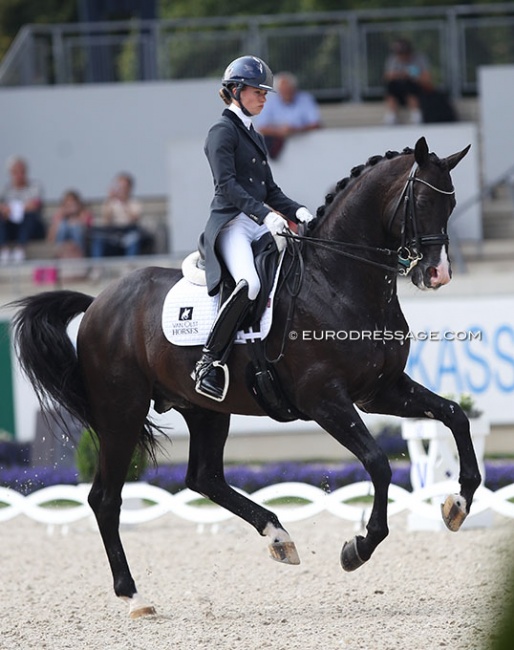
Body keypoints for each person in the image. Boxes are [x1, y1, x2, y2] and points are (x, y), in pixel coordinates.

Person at [192, 55, 315, 402]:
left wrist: (301, 212)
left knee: (295, 268)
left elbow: (270, 190)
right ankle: (209, 361)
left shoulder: (254, 135)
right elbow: (227, 186)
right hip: (232, 223)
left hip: (258, 220)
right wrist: (265, 215)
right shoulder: (221, 132)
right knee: (251, 284)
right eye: (258, 91)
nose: (264, 97)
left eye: (265, 92)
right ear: (235, 91)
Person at [253, 71, 321, 159]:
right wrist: (279, 131)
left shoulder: (305, 99)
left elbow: (316, 124)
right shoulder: (269, 101)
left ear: (294, 89)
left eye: (288, 89)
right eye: (283, 90)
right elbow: (261, 127)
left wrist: (295, 130)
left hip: (306, 150)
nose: (286, 93)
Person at [0, 156, 45, 264]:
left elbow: (35, 205)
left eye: (22, 172)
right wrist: (4, 209)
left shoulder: (35, 186)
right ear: (11, 173)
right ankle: (3, 249)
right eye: (16, 172)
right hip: (11, 226)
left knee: (29, 216)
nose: (19, 175)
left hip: (31, 226)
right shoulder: (5, 189)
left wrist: (16, 208)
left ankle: (20, 249)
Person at [90, 172, 142, 258]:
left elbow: (134, 219)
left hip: (128, 232)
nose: (121, 190)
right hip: (112, 233)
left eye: (124, 187)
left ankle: (130, 265)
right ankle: (97, 267)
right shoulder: (110, 202)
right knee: (98, 240)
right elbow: (106, 221)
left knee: (134, 239)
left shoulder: (134, 203)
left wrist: (124, 203)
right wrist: (110, 202)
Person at [383, 38, 432, 125]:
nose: (401, 56)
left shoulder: (419, 59)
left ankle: (415, 113)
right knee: (391, 87)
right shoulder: (393, 59)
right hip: (398, 89)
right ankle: (392, 115)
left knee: (409, 86)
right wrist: (401, 75)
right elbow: (387, 76)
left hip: (416, 88)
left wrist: (411, 75)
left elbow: (426, 78)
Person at [47, 189, 93, 257]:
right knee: (63, 226)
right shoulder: (59, 215)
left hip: (80, 243)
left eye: (72, 203)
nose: (70, 205)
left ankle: (79, 254)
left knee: (75, 227)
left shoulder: (85, 213)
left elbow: (89, 227)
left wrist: (76, 217)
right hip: (63, 245)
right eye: (68, 203)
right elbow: (51, 236)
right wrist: (63, 215)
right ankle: (59, 254)